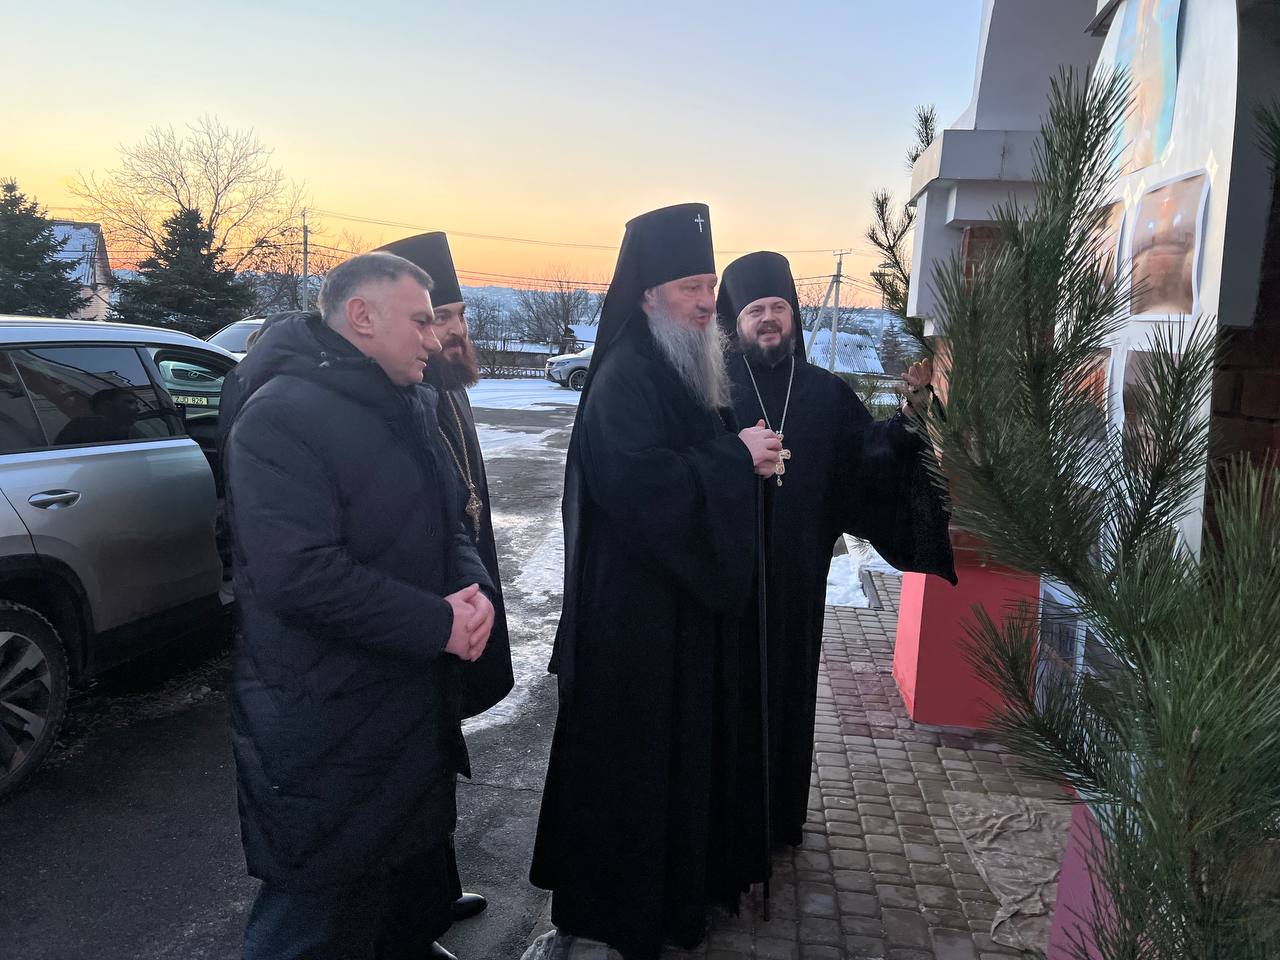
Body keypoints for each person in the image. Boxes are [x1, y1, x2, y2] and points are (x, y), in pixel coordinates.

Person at [527, 204, 783, 960]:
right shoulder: (624, 375)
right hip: (633, 620)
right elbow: (637, 486)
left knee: (680, 759)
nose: (707, 302)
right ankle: (615, 918)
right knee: (631, 768)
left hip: (680, 610)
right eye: (689, 288)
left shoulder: (688, 363)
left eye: (710, 284)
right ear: (647, 295)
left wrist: (745, 455)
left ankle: (676, 898)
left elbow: (696, 460)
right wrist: (736, 458)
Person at [225, 251, 496, 960]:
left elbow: (451, 522)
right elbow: (298, 574)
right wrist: (438, 624)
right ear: (362, 316)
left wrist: (473, 595)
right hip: (326, 712)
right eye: (420, 322)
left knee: (387, 886)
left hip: (403, 700)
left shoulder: (410, 402)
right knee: (312, 909)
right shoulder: (281, 415)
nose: (435, 339)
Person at [716, 250, 956, 849]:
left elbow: (870, 459)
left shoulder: (825, 392)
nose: (769, 319)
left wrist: (910, 414)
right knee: (725, 697)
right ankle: (723, 827)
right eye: (755, 310)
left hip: (798, 582)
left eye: (778, 307)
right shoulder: (709, 394)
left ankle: (779, 821)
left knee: (789, 693)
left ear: (794, 315)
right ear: (734, 321)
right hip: (722, 582)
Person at [377, 231, 516, 922]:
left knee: (437, 755)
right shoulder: (397, 394)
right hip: (418, 611)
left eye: (460, 314)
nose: (455, 331)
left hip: (457, 592)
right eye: (439, 316)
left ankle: (433, 893)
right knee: (413, 765)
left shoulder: (447, 389)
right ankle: (412, 912)